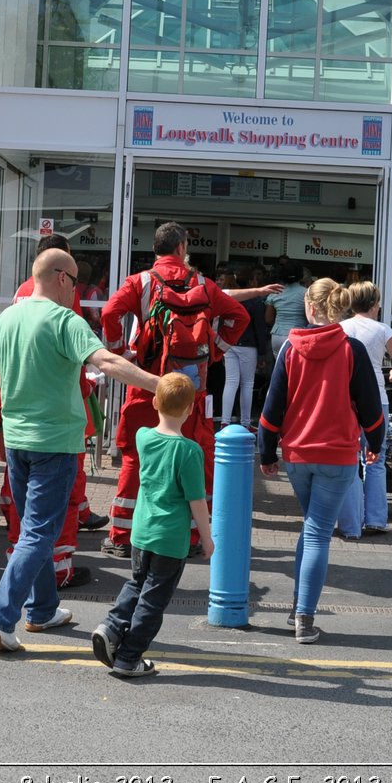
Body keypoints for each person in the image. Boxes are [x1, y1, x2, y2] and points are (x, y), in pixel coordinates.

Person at [0, 247, 162, 653]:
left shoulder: (7, 317)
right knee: (39, 533)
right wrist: (162, 385)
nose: (78, 293)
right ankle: (0, 619)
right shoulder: (65, 320)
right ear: (62, 279)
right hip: (55, 443)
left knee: (34, 531)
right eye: (76, 284)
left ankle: (42, 610)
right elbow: (106, 362)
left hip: (17, 443)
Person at [100, 222, 247, 560]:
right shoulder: (205, 285)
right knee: (197, 456)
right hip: (192, 387)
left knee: (136, 457)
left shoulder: (141, 282)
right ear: (182, 248)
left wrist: (120, 352)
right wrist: (217, 351)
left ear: (157, 249)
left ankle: (123, 535)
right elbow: (239, 316)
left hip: (148, 383)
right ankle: (195, 535)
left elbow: (110, 312)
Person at [258, 277, 386, 645]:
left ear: (309, 308)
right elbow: (370, 406)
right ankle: (304, 617)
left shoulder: (289, 348)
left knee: (311, 528)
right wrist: (375, 443)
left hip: (297, 453)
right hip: (338, 454)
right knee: (317, 533)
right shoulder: (352, 349)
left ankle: (298, 604)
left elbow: (272, 408)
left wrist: (267, 452)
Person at [0, 233, 104, 590]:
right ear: (61, 272)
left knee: (20, 497)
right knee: (63, 498)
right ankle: (57, 572)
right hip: (55, 418)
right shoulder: (60, 301)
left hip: (18, 410)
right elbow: (75, 357)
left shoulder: (19, 298)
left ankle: (25, 575)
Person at [91, 371, 214, 678]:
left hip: (141, 532)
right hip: (170, 539)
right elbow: (196, 501)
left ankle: (111, 626)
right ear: (189, 409)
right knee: (154, 599)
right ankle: (129, 657)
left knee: (137, 583)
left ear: (155, 402)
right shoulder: (189, 451)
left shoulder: (144, 437)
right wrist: (207, 538)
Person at [335, 280, 392, 538]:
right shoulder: (382, 329)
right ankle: (376, 519)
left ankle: (351, 518)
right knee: (376, 457)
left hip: (347, 398)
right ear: (374, 304)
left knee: (349, 458)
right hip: (377, 397)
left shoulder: (340, 327)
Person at [216, 267, 271, 431]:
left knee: (231, 382)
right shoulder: (255, 302)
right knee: (247, 383)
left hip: (230, 343)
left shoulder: (229, 298)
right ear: (251, 282)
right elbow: (259, 328)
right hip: (248, 345)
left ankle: (225, 421)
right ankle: (246, 423)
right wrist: (262, 351)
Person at [264, 264, 308, 355]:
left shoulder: (275, 292)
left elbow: (268, 319)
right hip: (298, 334)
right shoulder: (307, 293)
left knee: (280, 366)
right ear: (301, 275)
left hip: (277, 335)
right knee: (295, 367)